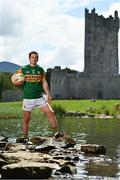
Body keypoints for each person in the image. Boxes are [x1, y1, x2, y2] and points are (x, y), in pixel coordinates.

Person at [17, 51, 63, 142]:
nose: (34, 59)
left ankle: (56, 133)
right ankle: (25, 137)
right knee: (26, 119)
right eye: (32, 57)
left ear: (38, 58)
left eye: (36, 57)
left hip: (39, 97)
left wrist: (48, 94)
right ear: (29, 58)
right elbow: (15, 79)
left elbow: (44, 82)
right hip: (28, 98)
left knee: (51, 113)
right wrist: (17, 83)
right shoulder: (23, 69)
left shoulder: (40, 69)